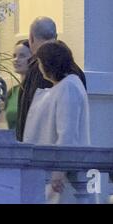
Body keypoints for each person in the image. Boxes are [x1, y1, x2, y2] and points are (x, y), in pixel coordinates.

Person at [23, 40, 91, 203]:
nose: (39, 68)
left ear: (48, 64)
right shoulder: (62, 87)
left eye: (39, 63)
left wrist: (58, 172)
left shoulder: (69, 87)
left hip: (59, 179)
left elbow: (67, 133)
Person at [16, 17, 86, 142]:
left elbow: (66, 136)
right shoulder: (74, 70)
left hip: (51, 155)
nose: (42, 70)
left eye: (41, 64)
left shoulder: (68, 87)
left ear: (31, 38)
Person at [5, 39, 32, 130]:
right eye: (14, 56)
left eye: (22, 56)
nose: (16, 60)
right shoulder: (12, 92)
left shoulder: (37, 90)